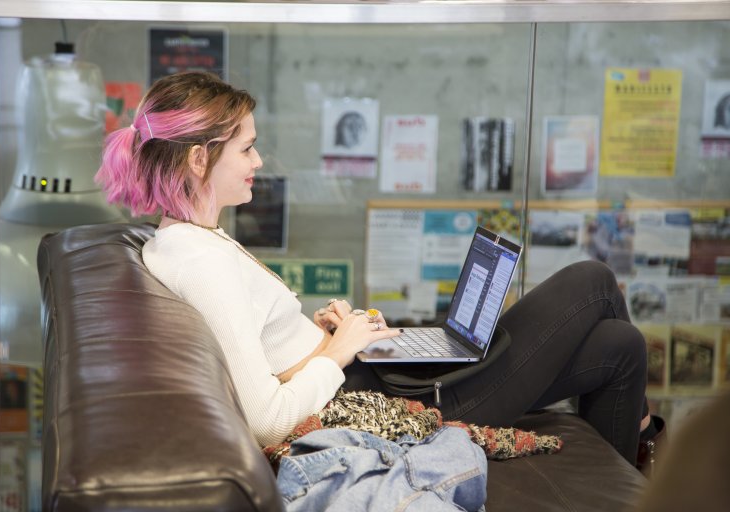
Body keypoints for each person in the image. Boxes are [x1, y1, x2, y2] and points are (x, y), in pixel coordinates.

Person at [95, 70, 660, 468]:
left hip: (368, 378)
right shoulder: (195, 261)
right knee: (592, 281)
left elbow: (264, 353)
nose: (258, 162)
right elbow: (265, 420)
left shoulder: (192, 240)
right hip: (387, 405)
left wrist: (327, 337)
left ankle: (632, 464)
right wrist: (339, 353)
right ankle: (641, 438)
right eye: (246, 149)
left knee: (620, 347)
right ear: (200, 158)